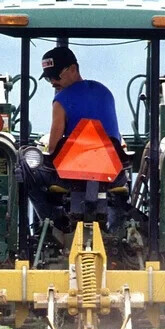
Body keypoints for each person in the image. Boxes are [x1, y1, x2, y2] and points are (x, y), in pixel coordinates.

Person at [18, 47, 128, 230]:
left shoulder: (60, 101)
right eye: (48, 78)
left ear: (73, 69)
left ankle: (52, 222)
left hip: (69, 179)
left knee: (24, 167)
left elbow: (52, 148)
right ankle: (117, 229)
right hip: (112, 176)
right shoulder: (106, 93)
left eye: (56, 76)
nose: (53, 82)